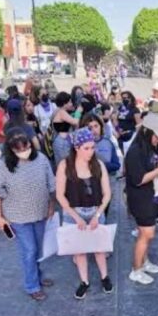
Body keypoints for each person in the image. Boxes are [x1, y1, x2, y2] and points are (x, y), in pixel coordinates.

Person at [0, 128, 56, 301]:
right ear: (10, 149)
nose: (23, 152)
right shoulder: (4, 165)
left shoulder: (41, 159)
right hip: (17, 216)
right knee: (29, 250)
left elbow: (51, 185)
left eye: (25, 147)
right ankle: (32, 285)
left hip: (40, 212)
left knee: (39, 248)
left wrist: (51, 206)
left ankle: (37, 277)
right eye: (18, 149)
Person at [55, 128, 113, 299]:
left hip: (95, 209)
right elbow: (60, 194)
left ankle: (105, 277)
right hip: (74, 211)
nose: (90, 152)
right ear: (76, 148)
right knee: (79, 250)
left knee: (99, 248)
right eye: (86, 148)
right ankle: (84, 281)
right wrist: (75, 217)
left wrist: (97, 215)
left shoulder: (98, 164)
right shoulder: (65, 165)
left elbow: (107, 193)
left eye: (92, 148)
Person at [124, 114, 158, 285]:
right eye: (156, 135)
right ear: (146, 131)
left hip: (153, 196)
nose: (157, 140)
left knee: (145, 234)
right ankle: (136, 270)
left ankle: (144, 262)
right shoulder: (135, 151)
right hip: (141, 199)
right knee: (147, 233)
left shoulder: (150, 147)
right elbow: (138, 179)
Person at [52, 92, 80, 164]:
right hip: (62, 143)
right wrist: (78, 112)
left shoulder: (60, 112)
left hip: (62, 141)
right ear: (64, 103)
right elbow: (75, 122)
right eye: (70, 102)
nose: (71, 104)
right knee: (65, 164)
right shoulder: (61, 112)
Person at [116, 91, 141, 155]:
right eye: (123, 98)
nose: (125, 99)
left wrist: (131, 132)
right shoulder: (120, 108)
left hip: (130, 135)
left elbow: (139, 124)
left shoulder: (135, 109)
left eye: (127, 98)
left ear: (131, 98)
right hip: (119, 135)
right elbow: (115, 120)